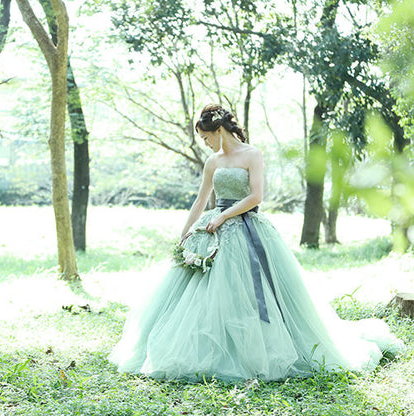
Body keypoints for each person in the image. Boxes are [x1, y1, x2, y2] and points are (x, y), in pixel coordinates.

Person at [108, 104, 405, 382]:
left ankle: (258, 347)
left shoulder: (252, 155)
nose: (205, 143)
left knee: (253, 289)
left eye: (206, 137)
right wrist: (185, 234)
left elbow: (256, 196)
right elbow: (200, 200)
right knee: (206, 291)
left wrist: (223, 216)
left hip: (247, 226)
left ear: (219, 130)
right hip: (213, 227)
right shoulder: (213, 162)